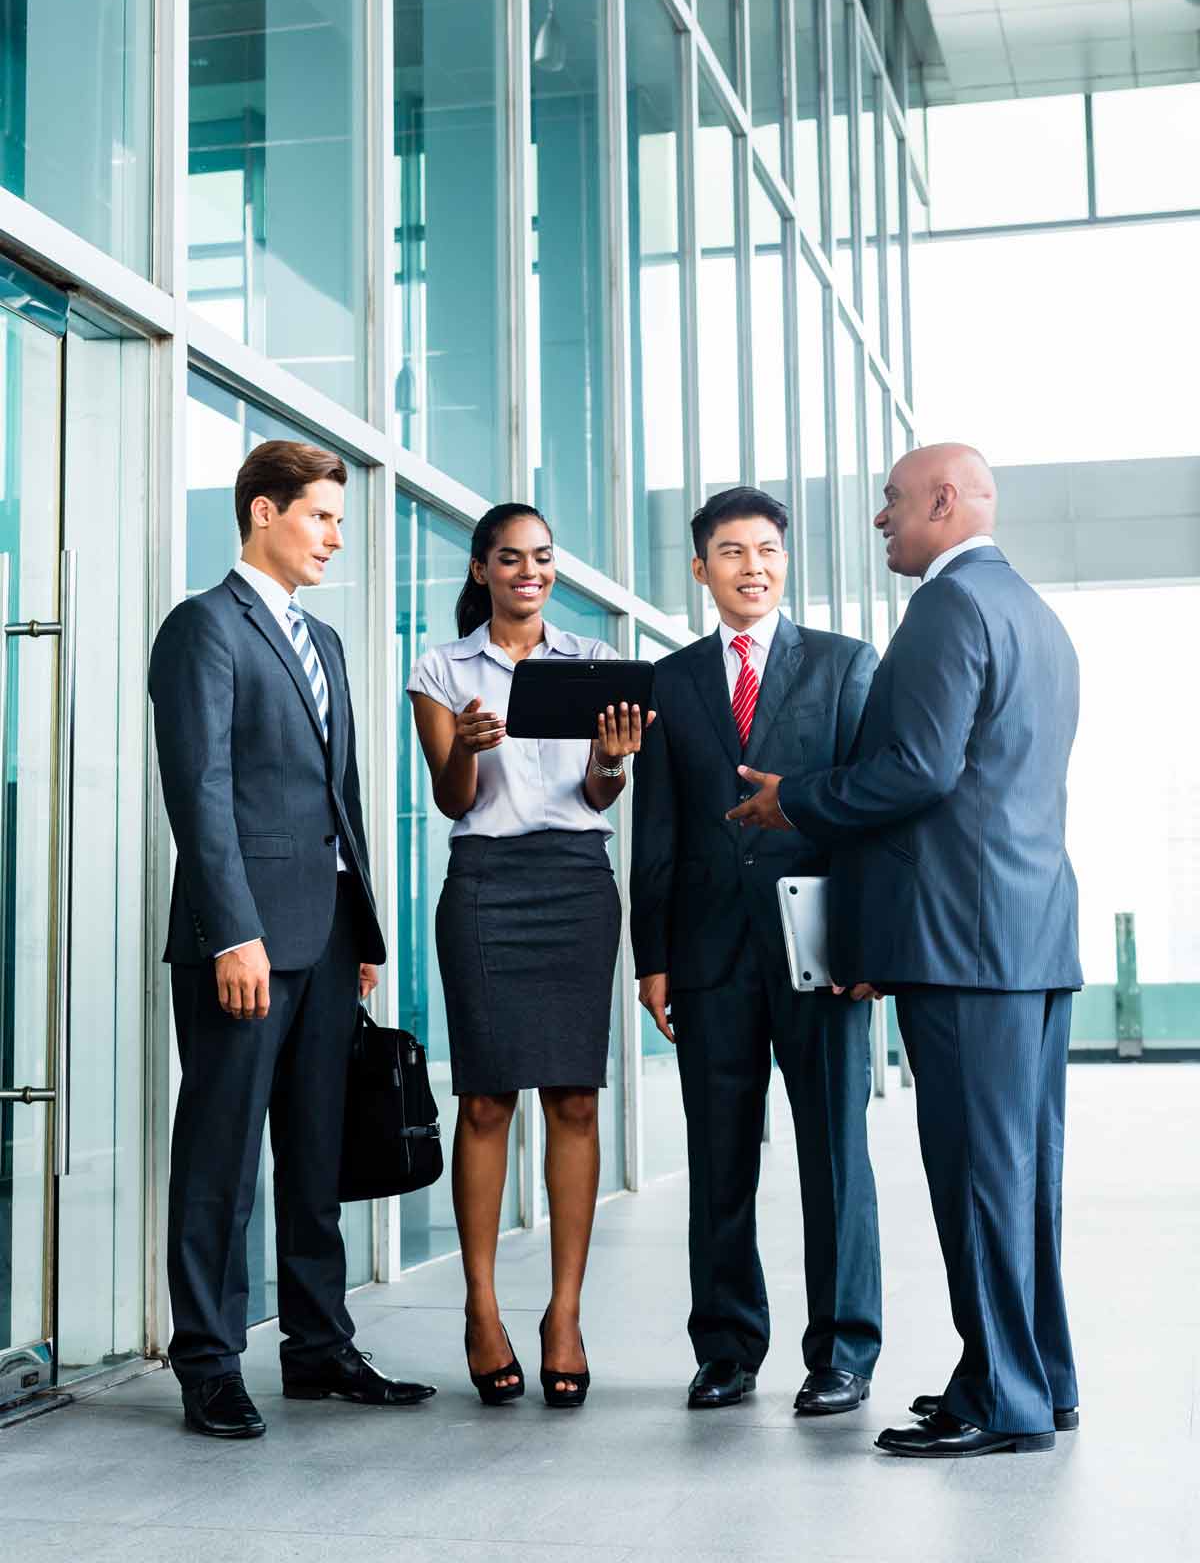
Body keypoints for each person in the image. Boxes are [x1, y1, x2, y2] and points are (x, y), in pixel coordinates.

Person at [731, 443, 1081, 1458]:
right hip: (1029, 936)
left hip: (965, 947)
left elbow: (917, 773)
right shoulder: (1034, 615)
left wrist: (788, 798)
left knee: (975, 1175)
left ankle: (1000, 1401)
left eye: (891, 503)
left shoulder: (948, 607)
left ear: (940, 502)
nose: (881, 520)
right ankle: (1033, 1376)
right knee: (1023, 1178)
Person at [149, 440, 435, 1439]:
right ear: (263, 511)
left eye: (340, 522)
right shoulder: (202, 630)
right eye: (320, 516)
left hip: (324, 941)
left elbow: (340, 799)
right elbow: (202, 794)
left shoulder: (329, 644)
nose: (333, 537)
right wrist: (233, 933)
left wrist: (363, 929)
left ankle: (317, 1349)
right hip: (244, 946)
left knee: (316, 1158)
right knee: (221, 1161)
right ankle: (209, 1366)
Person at [630, 487, 882, 1415]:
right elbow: (655, 828)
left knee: (835, 1158)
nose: (753, 567)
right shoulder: (670, 680)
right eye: (731, 552)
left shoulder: (847, 667)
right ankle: (728, 1347)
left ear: (787, 560)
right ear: (701, 570)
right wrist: (650, 957)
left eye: (767, 549)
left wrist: (869, 945)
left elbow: (869, 816)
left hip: (820, 952)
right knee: (720, 1160)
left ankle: (844, 1352)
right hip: (707, 953)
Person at [407, 502, 647, 1409]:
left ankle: (565, 1315)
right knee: (485, 1100)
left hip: (577, 882)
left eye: (543, 558)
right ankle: (479, 1309)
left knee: (576, 1099)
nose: (529, 573)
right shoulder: (440, 668)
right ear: (481, 571)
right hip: (485, 884)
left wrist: (615, 763)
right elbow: (452, 800)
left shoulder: (591, 666)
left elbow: (597, 791)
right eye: (510, 560)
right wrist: (465, 748)